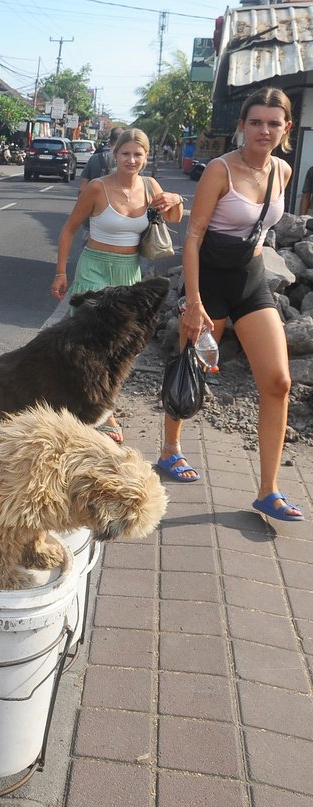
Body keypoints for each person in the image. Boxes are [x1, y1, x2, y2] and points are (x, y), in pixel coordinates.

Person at [157, 86, 305, 521]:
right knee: (192, 367)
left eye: (273, 123)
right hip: (210, 280)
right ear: (242, 125)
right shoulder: (220, 170)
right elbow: (194, 239)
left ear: (286, 128)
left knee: (278, 382)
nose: (264, 130)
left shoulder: (283, 171)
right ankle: (170, 448)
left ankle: (268, 489)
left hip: (252, 281)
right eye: (255, 122)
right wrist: (194, 301)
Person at [51, 127, 184, 443]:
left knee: (120, 347)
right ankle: (101, 412)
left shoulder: (151, 187)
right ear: (115, 154)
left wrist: (176, 198)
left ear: (146, 157)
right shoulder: (97, 188)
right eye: (126, 153)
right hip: (94, 269)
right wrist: (60, 273)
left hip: (129, 273)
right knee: (87, 342)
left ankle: (99, 403)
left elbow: (176, 218)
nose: (132, 159)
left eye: (138, 154)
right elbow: (69, 230)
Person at [77, 127, 123, 196]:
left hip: (95, 202)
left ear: (109, 142)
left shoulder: (94, 159)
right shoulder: (130, 162)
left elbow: (82, 188)